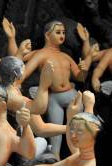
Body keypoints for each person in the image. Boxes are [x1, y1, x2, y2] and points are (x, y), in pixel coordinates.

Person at [19, 20, 91, 157]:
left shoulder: (65, 56)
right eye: (58, 32)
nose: (62, 35)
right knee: (55, 130)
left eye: (63, 32)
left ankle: (81, 155)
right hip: (53, 97)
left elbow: (79, 77)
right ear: (47, 35)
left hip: (71, 94)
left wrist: (84, 71)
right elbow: (24, 72)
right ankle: (55, 157)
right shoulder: (40, 54)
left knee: (79, 126)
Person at [10, 112, 101, 166]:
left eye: (80, 131)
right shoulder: (79, 156)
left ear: (95, 134)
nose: (73, 135)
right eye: (72, 130)